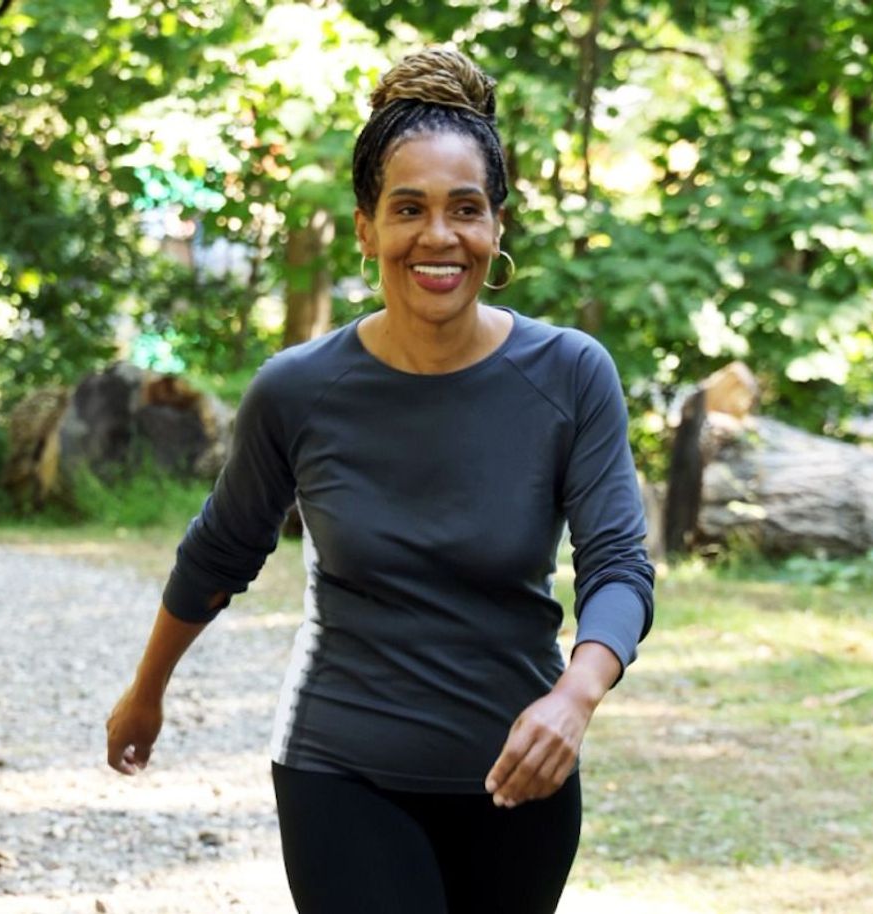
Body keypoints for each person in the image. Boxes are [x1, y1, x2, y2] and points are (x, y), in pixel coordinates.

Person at [106, 46, 655, 914]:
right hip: (341, 769)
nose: (439, 236)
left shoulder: (570, 374)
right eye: (409, 209)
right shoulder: (298, 388)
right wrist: (145, 694)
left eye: (465, 209)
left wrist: (574, 699)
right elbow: (222, 550)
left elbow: (619, 566)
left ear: (498, 225)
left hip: (520, 775)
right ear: (366, 228)